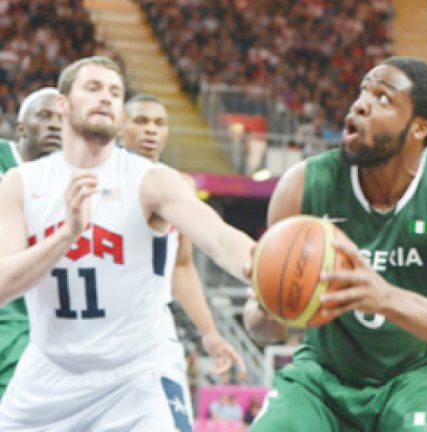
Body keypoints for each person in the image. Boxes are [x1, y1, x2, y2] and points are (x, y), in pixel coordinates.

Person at [244, 56, 427, 431]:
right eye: (363, 91)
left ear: (419, 128)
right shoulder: (302, 185)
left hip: (419, 380)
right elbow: (263, 328)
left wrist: (383, 297)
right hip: (323, 377)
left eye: (383, 98)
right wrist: (269, 308)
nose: (360, 104)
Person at [0, 56, 254, 430]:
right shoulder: (21, 184)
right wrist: (67, 235)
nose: (106, 97)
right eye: (93, 88)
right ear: (63, 105)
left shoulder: (152, 181)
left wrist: (258, 265)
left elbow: (219, 238)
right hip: (49, 373)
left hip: (136, 374)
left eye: (115, 92)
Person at [120, 94, 244, 377]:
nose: (151, 130)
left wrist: (210, 332)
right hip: (105, 321)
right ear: (119, 128)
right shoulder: (102, 179)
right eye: (140, 121)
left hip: (153, 327)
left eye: (159, 123)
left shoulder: (182, 185)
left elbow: (182, 266)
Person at [0, 87, 62, 400]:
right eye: (45, 116)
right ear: (21, 128)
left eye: (62, 119)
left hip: (37, 317)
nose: (55, 125)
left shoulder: (75, 179)